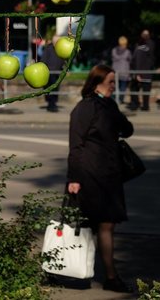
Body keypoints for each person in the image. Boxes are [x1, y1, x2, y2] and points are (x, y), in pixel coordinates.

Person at [67, 64, 134, 293]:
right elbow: (75, 146)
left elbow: (127, 130)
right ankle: (103, 276)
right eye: (110, 82)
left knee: (103, 225)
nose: (113, 86)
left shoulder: (109, 105)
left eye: (114, 82)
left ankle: (101, 274)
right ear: (98, 82)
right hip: (89, 175)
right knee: (96, 226)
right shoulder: (84, 108)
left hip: (109, 175)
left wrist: (116, 113)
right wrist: (73, 179)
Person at [128, 30, 155, 111]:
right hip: (147, 73)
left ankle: (135, 105)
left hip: (139, 72)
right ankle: (145, 106)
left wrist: (137, 73)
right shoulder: (152, 45)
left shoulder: (139, 47)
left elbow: (136, 61)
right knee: (146, 90)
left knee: (134, 89)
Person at [41, 35, 65, 112]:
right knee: (50, 89)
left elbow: (62, 60)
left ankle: (53, 104)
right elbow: (43, 60)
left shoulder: (60, 49)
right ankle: (51, 105)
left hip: (57, 73)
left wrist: (64, 68)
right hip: (49, 73)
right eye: (56, 41)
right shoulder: (48, 48)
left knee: (55, 89)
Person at [111, 36, 131, 104]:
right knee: (123, 88)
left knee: (114, 87)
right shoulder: (127, 52)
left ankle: (113, 100)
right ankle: (120, 100)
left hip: (115, 72)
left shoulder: (113, 50)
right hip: (124, 72)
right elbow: (130, 60)